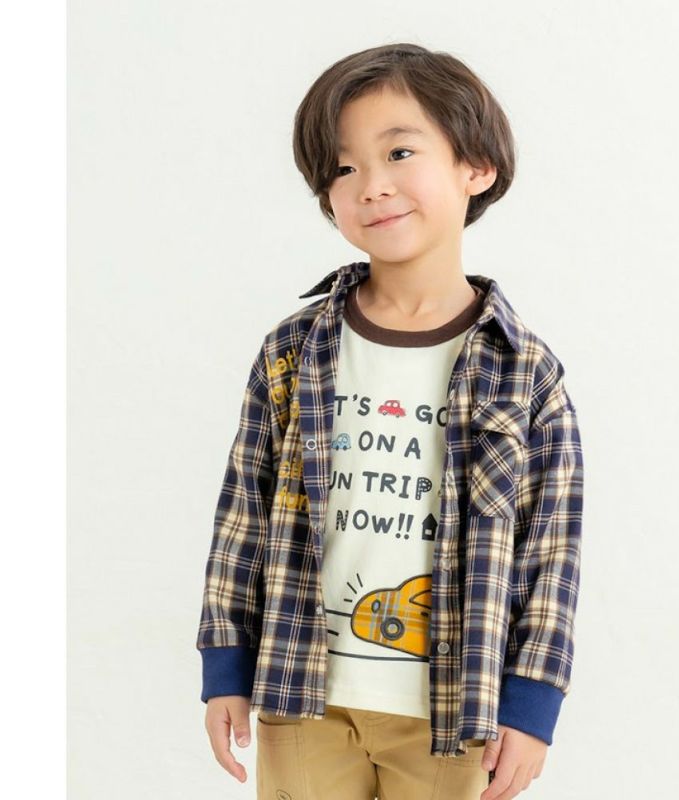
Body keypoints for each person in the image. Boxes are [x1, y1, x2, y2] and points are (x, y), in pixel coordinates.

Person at [196, 42, 584, 800]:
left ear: (476, 166)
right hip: (300, 690)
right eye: (343, 168)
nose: (371, 185)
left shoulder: (525, 370)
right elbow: (242, 511)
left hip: (456, 709)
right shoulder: (293, 350)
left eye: (399, 153)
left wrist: (533, 706)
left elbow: (552, 552)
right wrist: (225, 665)